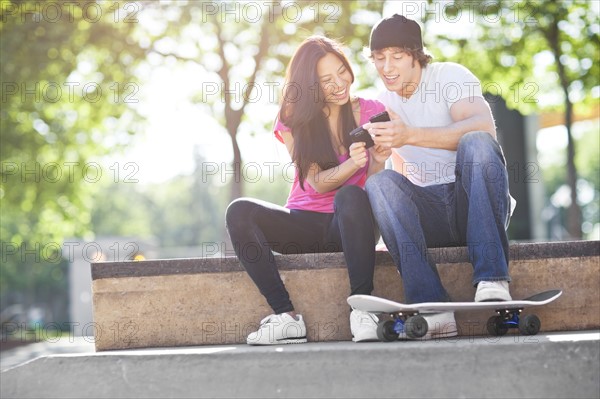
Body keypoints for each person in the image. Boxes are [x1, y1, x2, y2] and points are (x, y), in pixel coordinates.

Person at [225, 36, 391, 345]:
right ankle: (285, 317)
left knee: (351, 196)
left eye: (342, 71)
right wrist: (353, 165)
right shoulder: (293, 119)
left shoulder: (372, 110)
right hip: (304, 225)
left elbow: (373, 183)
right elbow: (315, 181)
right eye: (327, 80)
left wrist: (378, 160)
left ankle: (362, 308)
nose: (340, 83)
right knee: (239, 210)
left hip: (351, 224)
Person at [363, 14, 514, 339]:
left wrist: (410, 135)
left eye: (397, 56)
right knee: (379, 182)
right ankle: (432, 305)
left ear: (416, 54)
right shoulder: (382, 103)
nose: (386, 66)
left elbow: (482, 128)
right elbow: (397, 176)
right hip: (429, 214)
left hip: (473, 204)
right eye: (379, 57)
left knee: (476, 143)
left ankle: (492, 278)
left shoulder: (449, 76)